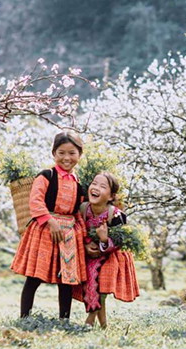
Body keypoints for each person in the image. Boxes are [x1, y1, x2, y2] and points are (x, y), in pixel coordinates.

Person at [10, 131, 87, 319]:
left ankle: (64, 319)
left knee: (66, 280)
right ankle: (25, 317)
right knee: (35, 277)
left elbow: (78, 210)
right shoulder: (46, 176)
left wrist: (82, 233)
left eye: (71, 153)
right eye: (61, 153)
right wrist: (50, 221)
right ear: (54, 153)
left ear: (79, 155)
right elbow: (35, 201)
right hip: (45, 231)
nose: (66, 158)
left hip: (68, 234)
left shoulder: (79, 183)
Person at [75, 171, 139, 327]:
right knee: (92, 287)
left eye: (103, 186)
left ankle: (89, 322)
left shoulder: (116, 215)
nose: (96, 187)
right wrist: (85, 245)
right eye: (94, 183)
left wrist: (104, 240)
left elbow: (120, 242)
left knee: (102, 285)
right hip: (89, 255)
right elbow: (77, 229)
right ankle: (104, 326)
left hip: (113, 256)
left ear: (111, 196)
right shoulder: (83, 209)